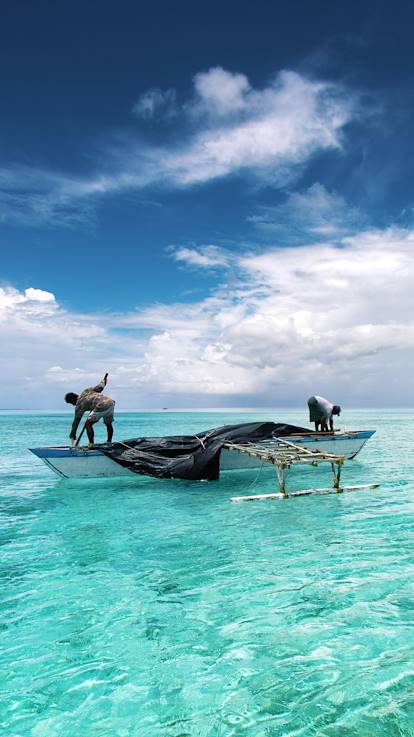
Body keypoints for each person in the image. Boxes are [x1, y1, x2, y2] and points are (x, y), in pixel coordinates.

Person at [65, 373, 115, 446]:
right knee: (108, 423)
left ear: (73, 399)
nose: (73, 405)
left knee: (88, 424)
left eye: (71, 403)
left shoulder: (79, 405)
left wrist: (73, 434)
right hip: (110, 402)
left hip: (101, 405)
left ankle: (91, 444)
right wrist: (104, 380)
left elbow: (76, 422)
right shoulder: (86, 391)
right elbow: (100, 387)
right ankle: (109, 442)